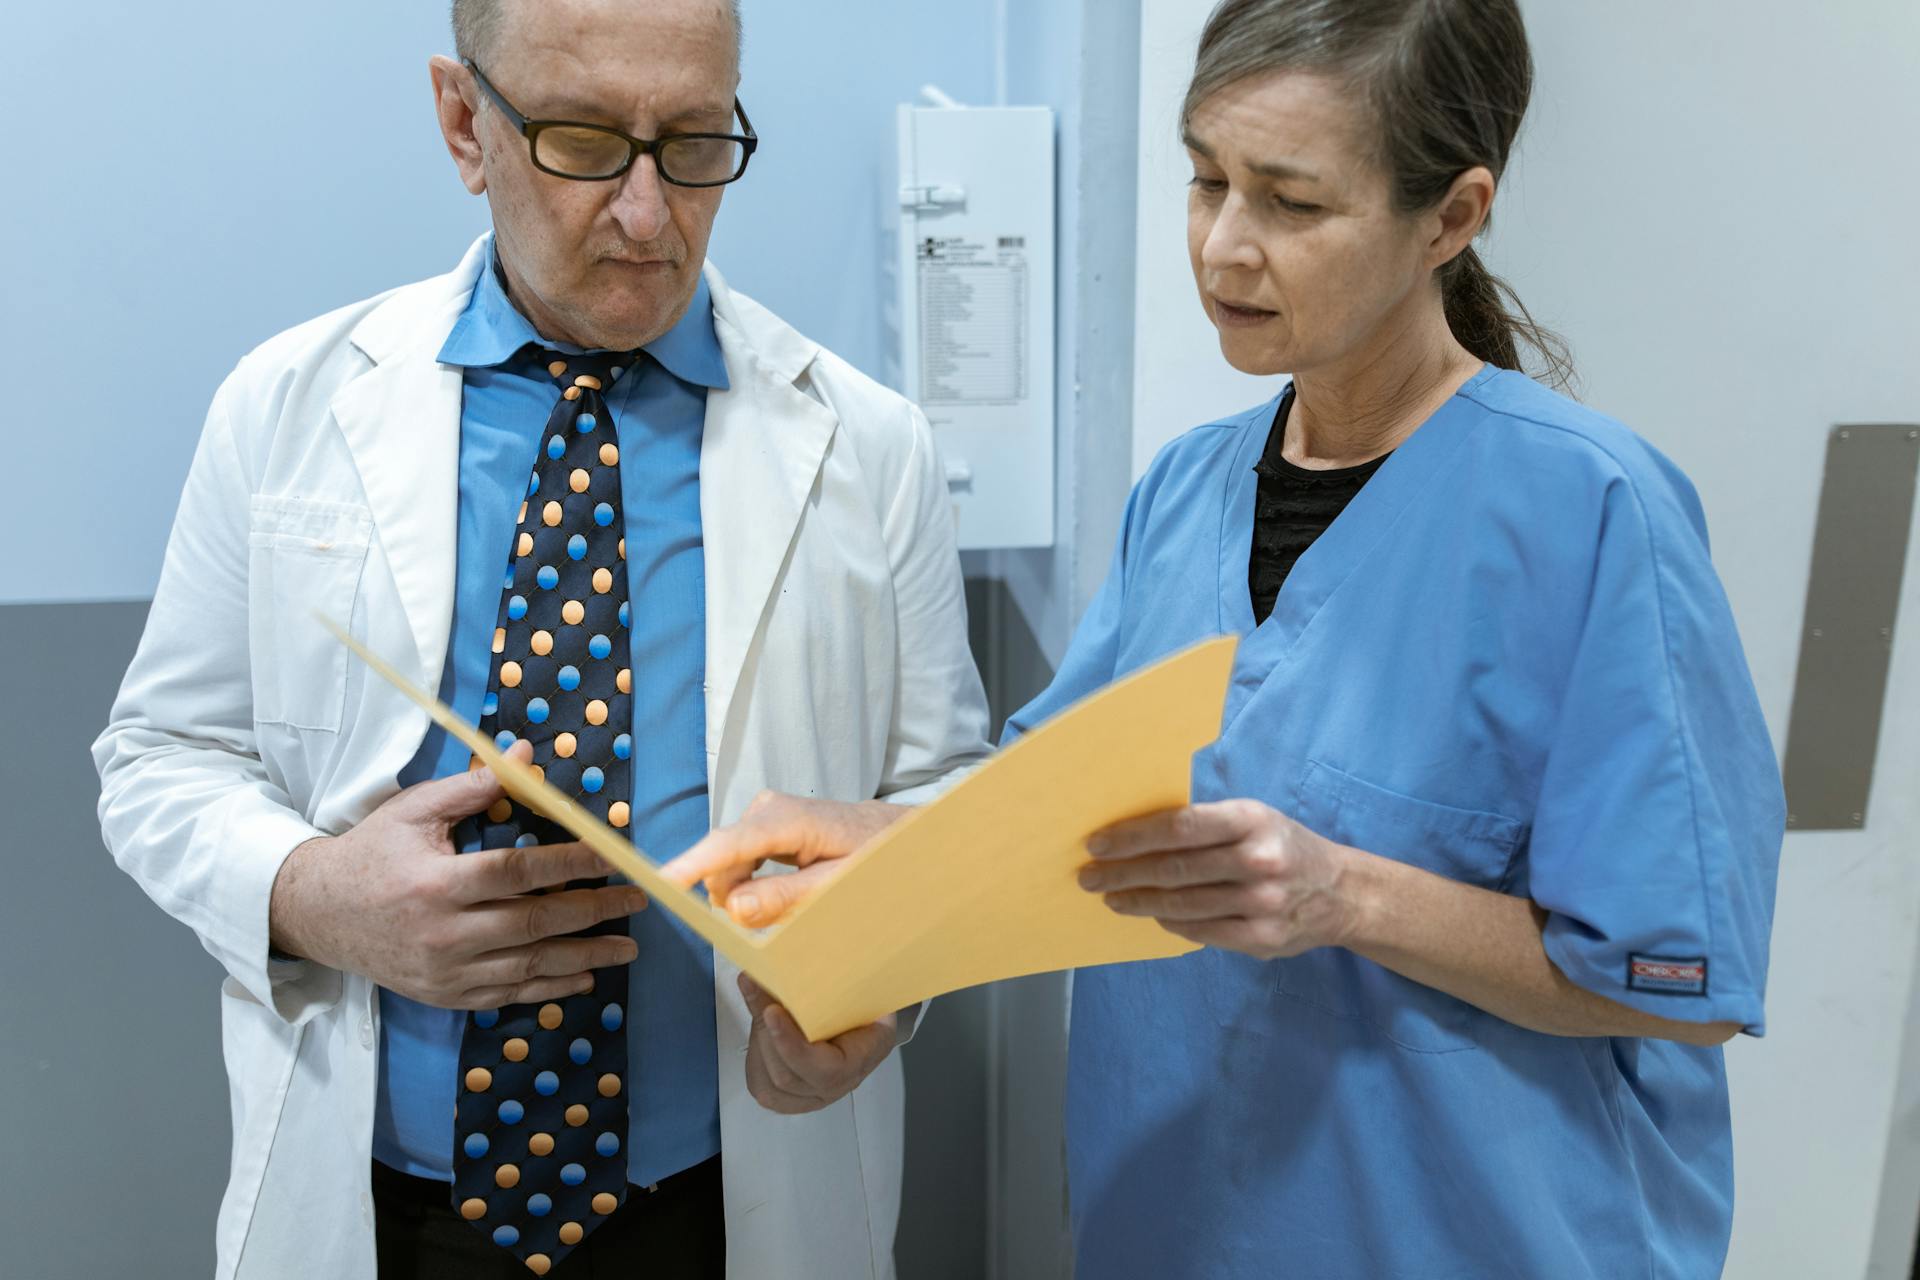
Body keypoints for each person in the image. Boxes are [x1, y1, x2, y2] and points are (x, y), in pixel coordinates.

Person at [663, 0, 1786, 1276]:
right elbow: (1044, 811)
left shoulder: (1594, 516)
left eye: (1293, 204)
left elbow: (1665, 979)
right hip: (1176, 1227)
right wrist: (860, 844)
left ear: (1452, 217)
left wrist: (1347, 893)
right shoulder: (1186, 492)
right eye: (1206, 180)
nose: (1224, 248)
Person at [91, 1, 990, 1276]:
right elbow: (160, 754)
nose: (646, 213)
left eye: (693, 143)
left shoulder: (868, 442)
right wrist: (316, 897)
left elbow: (939, 798)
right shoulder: (285, 403)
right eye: (583, 144)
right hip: (384, 1207)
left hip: (731, 1200)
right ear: (466, 122)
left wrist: (878, 982)